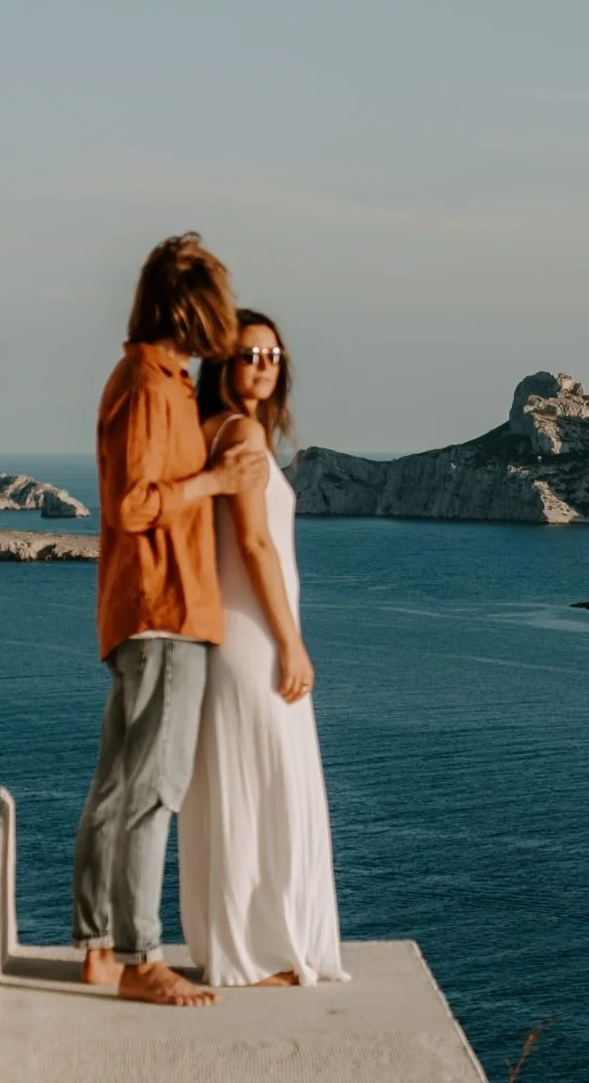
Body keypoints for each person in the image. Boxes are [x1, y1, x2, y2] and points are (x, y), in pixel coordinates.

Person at [72, 234, 269, 1007]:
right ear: (188, 308)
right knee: (153, 789)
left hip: (148, 608)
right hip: (167, 608)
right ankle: (140, 955)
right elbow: (132, 503)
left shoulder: (155, 382)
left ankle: (97, 947)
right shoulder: (152, 386)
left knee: (117, 788)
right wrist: (216, 479)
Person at [178, 311, 349, 987]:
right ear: (222, 361)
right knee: (269, 783)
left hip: (226, 635)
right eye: (249, 352)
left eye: (273, 353)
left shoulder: (209, 430)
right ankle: (264, 952)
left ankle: (238, 946)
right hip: (253, 639)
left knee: (237, 786)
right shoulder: (241, 431)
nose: (263, 362)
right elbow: (254, 544)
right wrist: (292, 641)